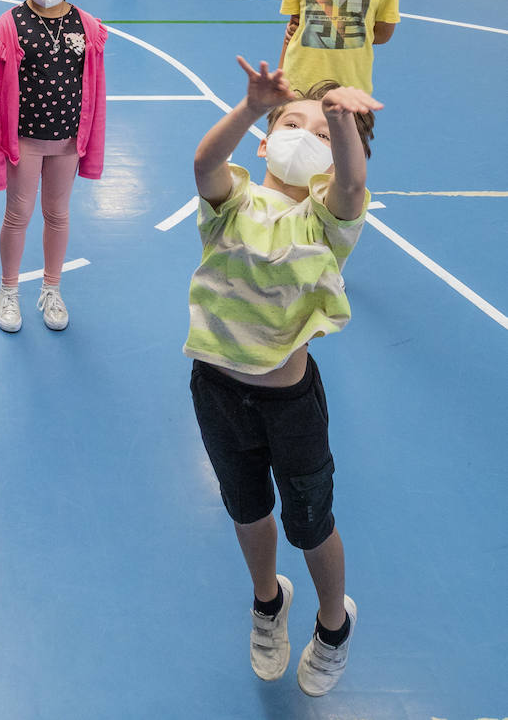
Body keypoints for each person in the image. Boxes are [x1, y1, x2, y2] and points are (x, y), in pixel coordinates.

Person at [187, 56, 380, 696]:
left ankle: (333, 625)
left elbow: (351, 185)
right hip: (216, 392)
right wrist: (249, 106)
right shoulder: (232, 202)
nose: (309, 136)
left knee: (311, 523)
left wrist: (341, 121)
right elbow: (203, 165)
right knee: (247, 509)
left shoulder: (328, 224)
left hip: (288, 402)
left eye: (323, 134)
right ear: (267, 141)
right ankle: (268, 604)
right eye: (293, 123)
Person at [0, 0, 107, 334]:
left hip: (67, 142)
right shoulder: (10, 25)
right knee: (18, 214)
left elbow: (95, 92)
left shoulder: (87, 27)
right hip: (25, 143)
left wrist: (91, 146)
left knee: (57, 214)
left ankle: (52, 288)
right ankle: (9, 289)